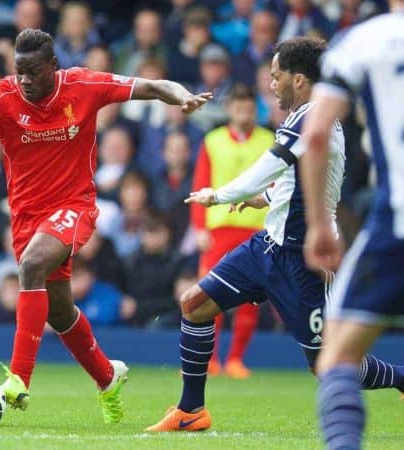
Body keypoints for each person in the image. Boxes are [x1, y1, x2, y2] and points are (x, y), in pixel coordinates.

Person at [0, 27, 211, 423]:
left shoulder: (84, 85)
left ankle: (18, 379)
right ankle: (107, 377)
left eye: (33, 72)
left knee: (31, 266)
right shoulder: (0, 94)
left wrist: (182, 95)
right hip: (27, 216)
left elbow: (151, 85)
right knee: (59, 312)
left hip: (74, 205)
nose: (25, 81)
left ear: (54, 66)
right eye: (20, 72)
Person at [146, 36, 404, 433]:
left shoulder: (312, 114)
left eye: (277, 75)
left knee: (328, 365)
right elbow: (294, 179)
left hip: (304, 262)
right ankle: (191, 410)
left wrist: (222, 194)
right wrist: (261, 201)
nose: (271, 84)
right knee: (195, 303)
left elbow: (273, 164)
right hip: (266, 246)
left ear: (299, 80)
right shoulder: (304, 118)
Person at [299, 3, 404, 449]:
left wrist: (320, 223)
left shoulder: (367, 38)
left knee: (338, 357)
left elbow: (317, 133)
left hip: (396, 221)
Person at [190, 84, 274, 378]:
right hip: (219, 229)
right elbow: (201, 181)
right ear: (229, 110)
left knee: (249, 297)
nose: (244, 113)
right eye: (239, 108)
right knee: (210, 295)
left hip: (257, 226)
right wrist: (199, 227)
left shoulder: (270, 140)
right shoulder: (212, 141)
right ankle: (210, 359)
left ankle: (236, 358)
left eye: (249, 109)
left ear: (256, 111)